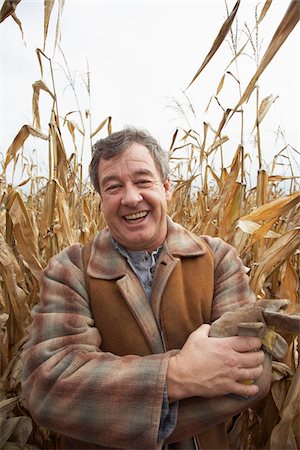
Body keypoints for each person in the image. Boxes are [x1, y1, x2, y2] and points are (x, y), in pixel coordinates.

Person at [21, 127, 271, 450]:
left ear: (167, 189)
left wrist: (116, 417)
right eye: (113, 187)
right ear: (100, 201)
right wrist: (179, 374)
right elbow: (47, 389)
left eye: (143, 181)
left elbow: (252, 374)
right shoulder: (69, 271)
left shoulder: (218, 259)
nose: (130, 197)